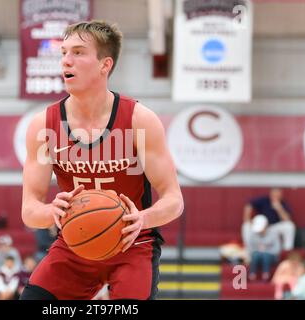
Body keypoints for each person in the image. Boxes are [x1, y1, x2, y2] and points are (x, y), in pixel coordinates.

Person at [20, 20, 183, 300]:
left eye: (78, 53)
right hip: (75, 243)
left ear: (104, 65)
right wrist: (51, 212)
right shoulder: (43, 125)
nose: (66, 61)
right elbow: (29, 210)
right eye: (63, 53)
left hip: (133, 245)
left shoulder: (139, 120)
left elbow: (174, 200)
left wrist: (143, 218)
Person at [246, 215, 281, 281]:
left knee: (266, 255)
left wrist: (266, 250)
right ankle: (252, 273)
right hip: (257, 256)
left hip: (271, 257)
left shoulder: (274, 234)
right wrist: (259, 250)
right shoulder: (253, 235)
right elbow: (250, 248)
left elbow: (277, 249)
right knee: (255, 255)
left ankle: (266, 273)